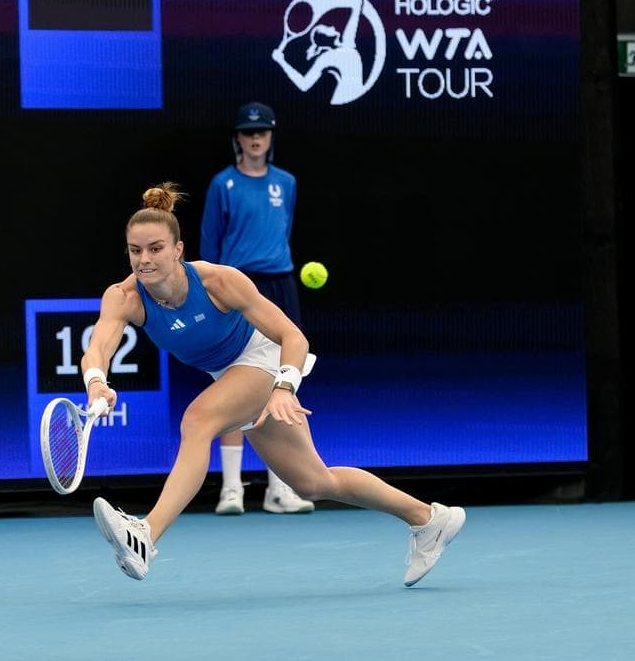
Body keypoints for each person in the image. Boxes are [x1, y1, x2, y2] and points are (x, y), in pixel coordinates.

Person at [85, 183, 465, 587]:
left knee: (197, 420)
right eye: (135, 250)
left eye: (156, 248)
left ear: (178, 250)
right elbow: (99, 348)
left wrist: (284, 387)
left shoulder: (218, 281)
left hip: (265, 359)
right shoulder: (123, 296)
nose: (144, 260)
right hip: (230, 375)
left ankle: (146, 533)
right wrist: (96, 383)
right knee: (314, 481)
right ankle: (429, 519)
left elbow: (293, 337)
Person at [200, 101, 314, 515]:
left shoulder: (286, 183)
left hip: (280, 285)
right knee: (234, 382)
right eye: (248, 132)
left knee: (282, 380)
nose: (255, 138)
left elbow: (281, 232)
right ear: (238, 138)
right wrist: (212, 294)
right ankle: (232, 488)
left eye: (262, 132)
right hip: (236, 287)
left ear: (270, 137)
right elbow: (210, 244)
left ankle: (280, 489)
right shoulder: (222, 185)